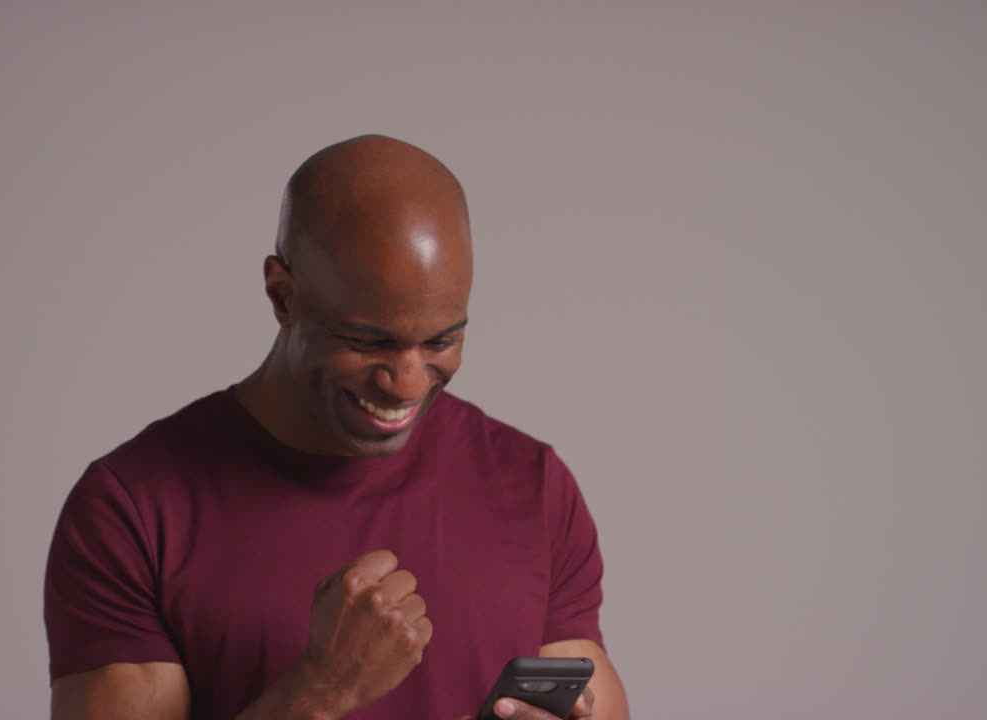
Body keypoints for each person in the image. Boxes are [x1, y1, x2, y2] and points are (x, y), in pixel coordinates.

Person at [44, 134, 630, 720]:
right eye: (369, 341)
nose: (406, 383)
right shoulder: (134, 509)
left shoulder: (532, 486)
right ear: (283, 295)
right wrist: (322, 691)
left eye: (441, 341)